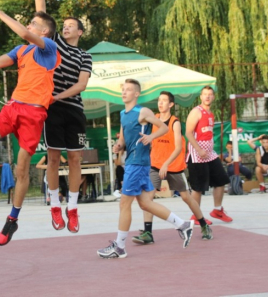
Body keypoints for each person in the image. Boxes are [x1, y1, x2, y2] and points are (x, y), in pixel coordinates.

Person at [0, 3, 60, 246]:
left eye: (34, 24)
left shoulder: (49, 48)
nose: (29, 25)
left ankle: (12, 219)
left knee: (21, 171)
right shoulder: (21, 51)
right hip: (13, 107)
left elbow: (26, 34)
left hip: (34, 114)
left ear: (44, 32)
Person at [28, 0, 92, 234]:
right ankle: (55, 204)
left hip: (72, 109)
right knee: (53, 158)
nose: (65, 27)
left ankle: (73, 208)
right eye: (62, 24)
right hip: (52, 109)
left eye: (69, 25)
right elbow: (41, 15)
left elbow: (81, 86)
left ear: (79, 31)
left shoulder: (85, 55)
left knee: (75, 159)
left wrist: (58, 96)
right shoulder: (53, 45)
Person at [97, 79, 193, 259]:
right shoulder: (123, 114)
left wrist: (151, 136)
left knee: (124, 203)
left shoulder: (142, 111)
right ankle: (183, 225)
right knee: (145, 203)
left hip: (138, 164)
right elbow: (124, 139)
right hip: (134, 163)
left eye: (128, 90)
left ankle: (119, 246)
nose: (124, 92)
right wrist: (118, 146)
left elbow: (164, 127)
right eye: (123, 90)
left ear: (136, 94)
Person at [132, 91, 213, 245]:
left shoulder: (174, 123)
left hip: (174, 165)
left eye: (164, 101)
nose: (160, 103)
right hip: (155, 164)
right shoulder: (153, 120)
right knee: (147, 198)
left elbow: (178, 148)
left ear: (171, 104)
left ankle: (203, 224)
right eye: (159, 100)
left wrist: (166, 164)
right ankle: (148, 232)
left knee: (185, 197)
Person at [185, 86, 232, 223]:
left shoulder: (210, 113)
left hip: (210, 154)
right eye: (205, 94)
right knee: (198, 187)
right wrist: (199, 149)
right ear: (200, 97)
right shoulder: (196, 112)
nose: (207, 96)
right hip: (197, 154)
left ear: (213, 97)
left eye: (210, 94)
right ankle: (196, 216)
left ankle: (217, 210)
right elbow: (188, 132)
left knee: (221, 180)